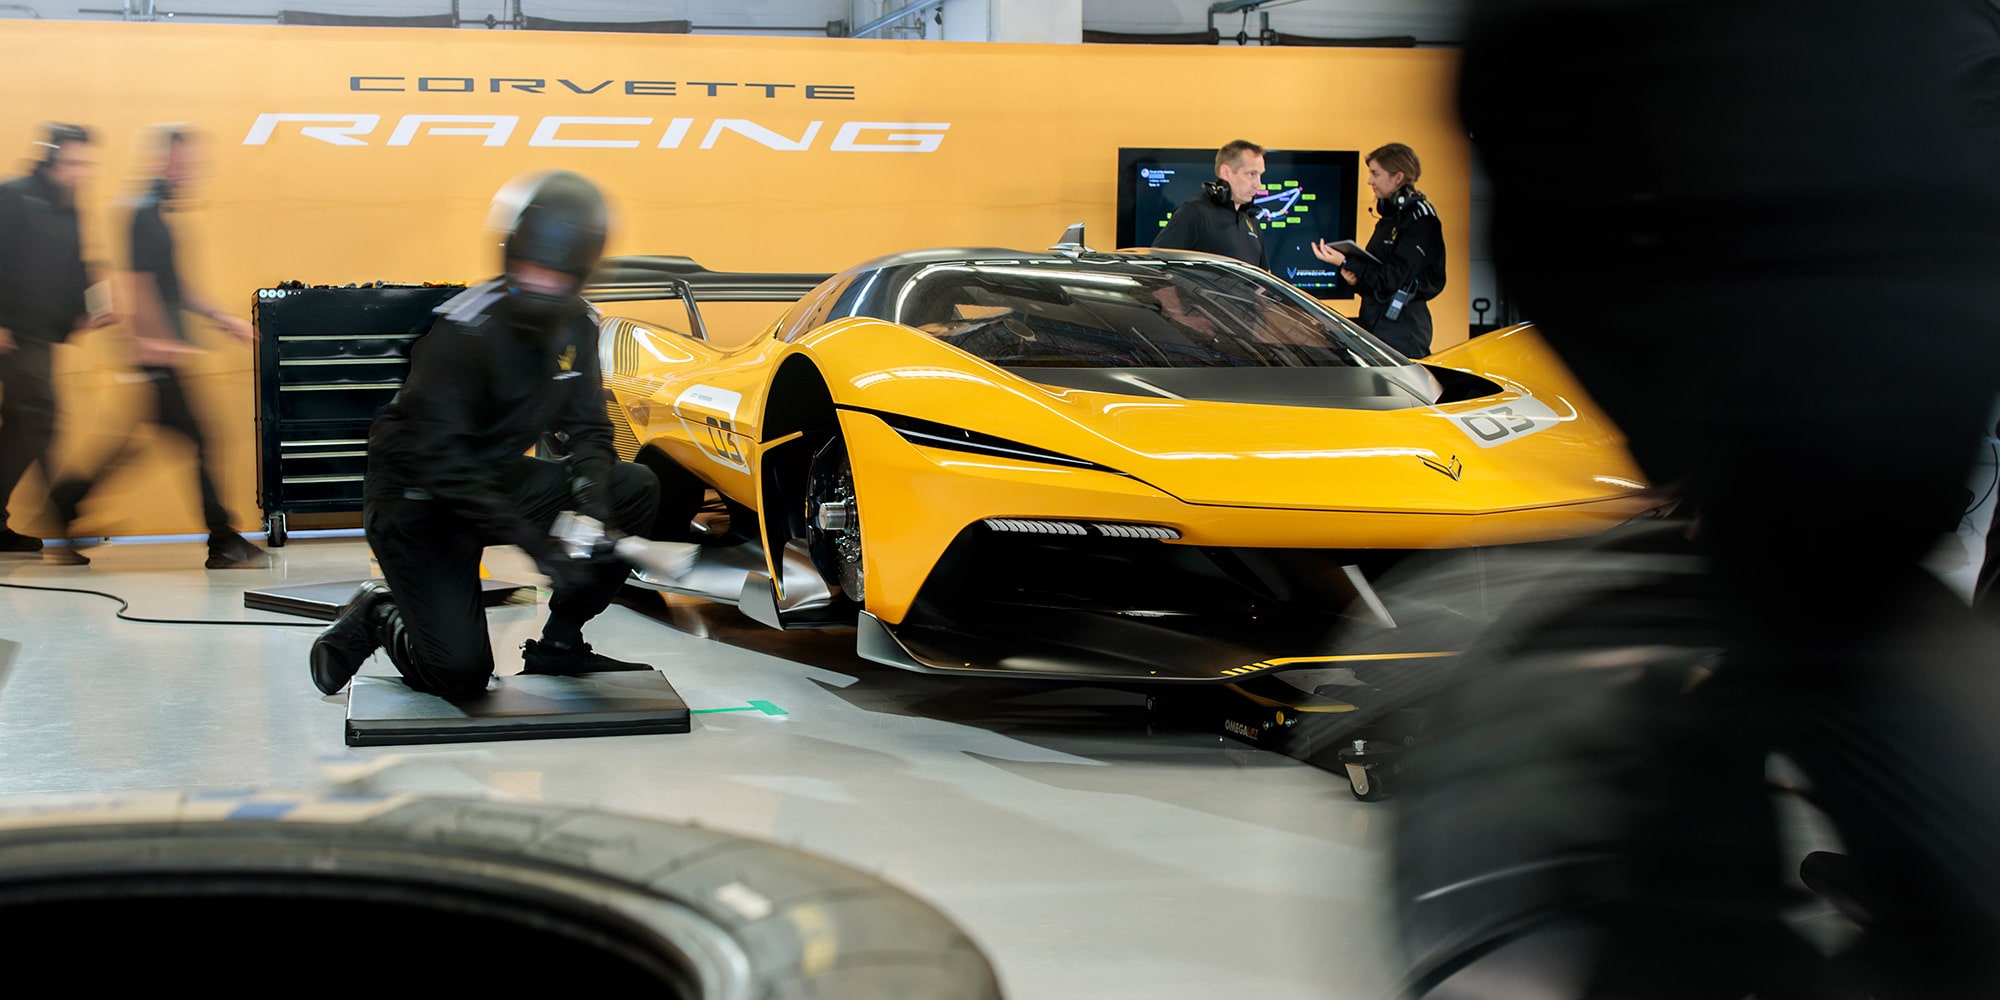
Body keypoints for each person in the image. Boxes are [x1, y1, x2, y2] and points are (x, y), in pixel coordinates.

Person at [1392, 1, 2000, 996]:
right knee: (1833, 633)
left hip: (1774, 360)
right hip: (1931, 348)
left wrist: (1668, 435)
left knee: (1785, 640)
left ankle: (1693, 936)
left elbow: (1542, 193)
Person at [307, 170, 664, 699]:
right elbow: (443, 463)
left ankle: (559, 646)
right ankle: (379, 612)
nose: (541, 282)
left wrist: (592, 507)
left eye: (556, 275)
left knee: (631, 485)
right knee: (460, 676)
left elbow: (588, 428)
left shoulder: (577, 325)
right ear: (511, 250)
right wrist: (540, 547)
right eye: (530, 267)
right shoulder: (464, 329)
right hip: (417, 500)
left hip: (494, 479)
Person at [45, 126, 267, 568]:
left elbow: (173, 284)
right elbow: (134, 282)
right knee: (202, 438)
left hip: (160, 347)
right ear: (165, 161)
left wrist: (219, 317)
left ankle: (66, 503)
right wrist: (149, 342)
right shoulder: (144, 213)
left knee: (144, 440)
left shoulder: (157, 212)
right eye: (183, 163)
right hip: (155, 350)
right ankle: (222, 539)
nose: (190, 172)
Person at [0, 123, 102, 555]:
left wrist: (87, 307)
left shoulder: (67, 202)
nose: (79, 172)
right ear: (51, 157)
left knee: (23, 425)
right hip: (13, 330)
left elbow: (75, 260)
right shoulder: (14, 194)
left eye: (85, 164)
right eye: (72, 163)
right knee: (39, 420)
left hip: (40, 332)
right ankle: (62, 519)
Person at [1310, 143, 1446, 358]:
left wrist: (1346, 262)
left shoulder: (1420, 219)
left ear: (1398, 177)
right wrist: (1356, 279)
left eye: (1375, 173)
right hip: (1374, 324)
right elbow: (1379, 277)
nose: (1369, 181)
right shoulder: (1390, 218)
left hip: (1401, 332)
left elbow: (1392, 279)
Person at [1152, 139, 1270, 270]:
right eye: (1251, 174)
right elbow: (1157, 268)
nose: (1258, 183)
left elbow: (1265, 276)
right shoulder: (1194, 211)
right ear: (1226, 172)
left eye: (1260, 175)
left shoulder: (1251, 220)